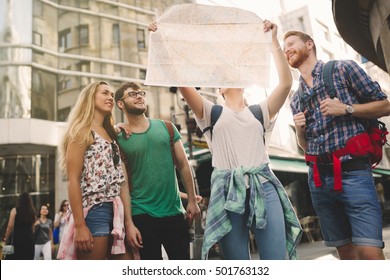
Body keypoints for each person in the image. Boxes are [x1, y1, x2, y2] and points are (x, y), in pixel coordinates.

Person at [149, 20, 302, 260]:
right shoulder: (212, 113)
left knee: (276, 260)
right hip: (227, 190)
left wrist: (272, 40)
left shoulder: (260, 111)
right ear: (220, 90)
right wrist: (162, 42)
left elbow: (285, 83)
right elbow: (181, 81)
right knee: (237, 262)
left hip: (263, 186)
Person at [284, 30, 390, 259]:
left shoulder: (343, 68)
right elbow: (304, 146)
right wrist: (300, 131)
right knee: (346, 255)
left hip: (354, 173)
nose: (287, 50)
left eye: (291, 43)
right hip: (319, 181)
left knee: (370, 253)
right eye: (284, 48)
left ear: (309, 44)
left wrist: (347, 108)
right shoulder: (295, 99)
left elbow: (385, 105)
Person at [114, 81, 201, 260]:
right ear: (120, 104)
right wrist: (129, 223)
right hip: (141, 214)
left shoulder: (167, 128)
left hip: (174, 212)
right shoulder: (119, 139)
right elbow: (122, 182)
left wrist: (192, 200)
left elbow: (184, 165)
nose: (139, 96)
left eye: (141, 93)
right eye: (132, 94)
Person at [58, 81, 135, 260]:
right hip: (94, 210)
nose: (110, 97)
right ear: (90, 98)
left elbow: (118, 176)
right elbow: (73, 180)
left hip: (117, 210)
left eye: (111, 94)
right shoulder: (81, 132)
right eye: (105, 93)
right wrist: (80, 226)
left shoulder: (110, 134)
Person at [2, 192, 36, 260]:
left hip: (17, 240)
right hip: (29, 240)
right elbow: (33, 227)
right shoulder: (32, 212)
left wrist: (6, 238)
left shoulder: (14, 210)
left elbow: (10, 227)